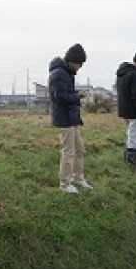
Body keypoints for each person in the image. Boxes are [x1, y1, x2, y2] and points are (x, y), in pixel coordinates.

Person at [49, 43, 92, 194]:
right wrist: (77, 96)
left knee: (80, 149)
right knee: (68, 151)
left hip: (72, 118)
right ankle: (65, 184)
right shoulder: (58, 74)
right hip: (64, 118)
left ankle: (78, 178)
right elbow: (59, 97)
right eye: (79, 64)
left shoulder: (67, 73)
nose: (79, 68)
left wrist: (75, 95)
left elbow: (67, 95)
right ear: (71, 61)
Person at [116, 50, 136, 171]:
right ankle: (131, 165)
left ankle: (127, 162)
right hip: (134, 110)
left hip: (123, 109)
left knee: (130, 135)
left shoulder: (122, 72)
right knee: (135, 137)